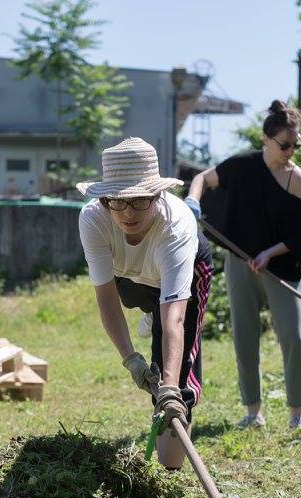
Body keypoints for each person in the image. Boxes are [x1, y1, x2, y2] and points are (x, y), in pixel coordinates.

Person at [77, 137, 213, 468]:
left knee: (175, 384)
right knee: (137, 303)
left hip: (181, 279)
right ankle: (150, 316)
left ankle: (171, 472)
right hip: (131, 282)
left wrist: (167, 387)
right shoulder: (94, 218)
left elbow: (176, 319)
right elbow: (107, 298)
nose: (127, 213)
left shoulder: (176, 225)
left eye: (139, 201)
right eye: (118, 202)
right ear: (106, 199)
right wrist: (130, 360)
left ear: (156, 194)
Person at [185, 100, 301, 430]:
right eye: (284, 144)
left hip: (280, 268)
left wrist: (269, 253)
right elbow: (202, 178)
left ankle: (297, 413)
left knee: (293, 337)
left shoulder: (297, 180)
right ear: (266, 139)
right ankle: (253, 411)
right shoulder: (242, 166)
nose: (290, 150)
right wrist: (192, 202)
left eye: (295, 144)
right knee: (245, 336)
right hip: (239, 262)